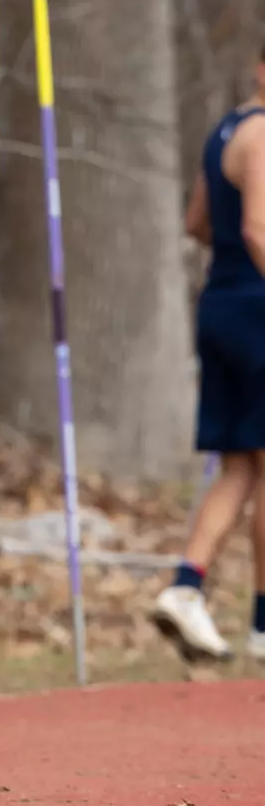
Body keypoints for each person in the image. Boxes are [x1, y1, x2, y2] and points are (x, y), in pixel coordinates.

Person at [150, 43, 265, 664]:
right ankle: (262, 624)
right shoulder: (264, 135)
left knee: (242, 466)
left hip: (220, 306)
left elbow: (198, 221)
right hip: (256, 309)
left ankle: (187, 587)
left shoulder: (224, 133)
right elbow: (255, 227)